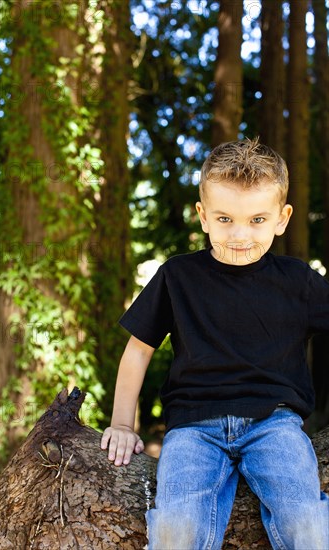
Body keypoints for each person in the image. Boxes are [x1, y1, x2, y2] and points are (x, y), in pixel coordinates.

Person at [100, 137, 329, 550]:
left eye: (257, 220)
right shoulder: (178, 277)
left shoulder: (300, 282)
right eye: (225, 219)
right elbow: (138, 349)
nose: (240, 235)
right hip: (192, 428)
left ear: (282, 218)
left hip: (275, 425)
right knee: (176, 530)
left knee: (306, 522)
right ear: (203, 216)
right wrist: (121, 423)